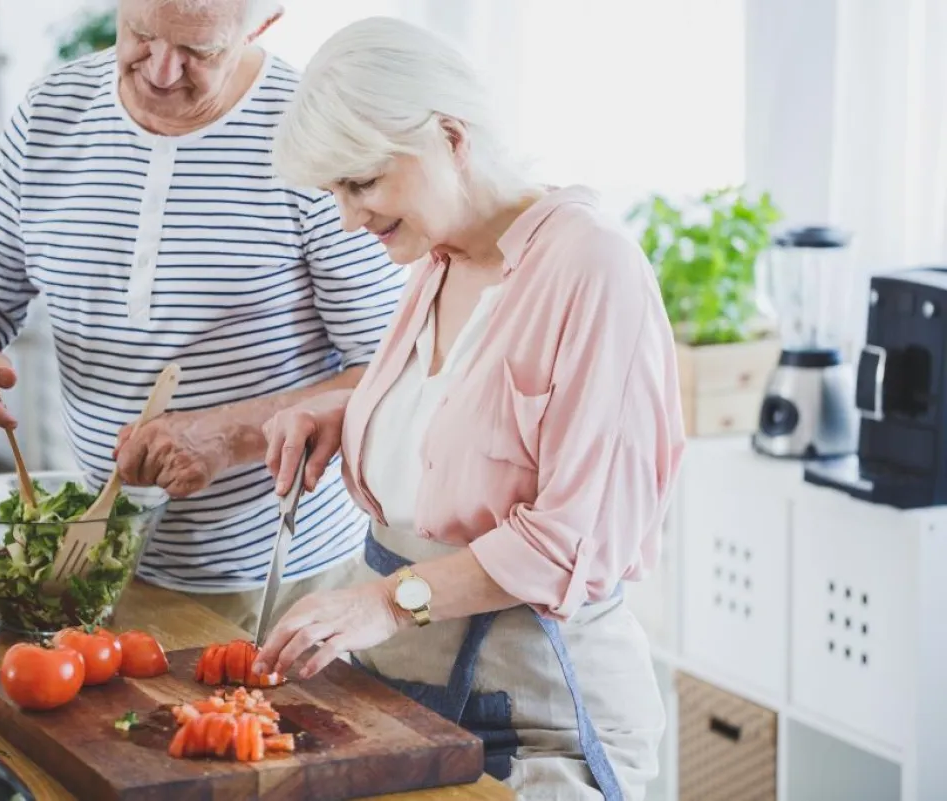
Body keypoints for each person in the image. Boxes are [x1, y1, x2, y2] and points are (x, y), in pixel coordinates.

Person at [252, 16, 686, 801]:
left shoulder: (593, 267)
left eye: (362, 183)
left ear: (451, 137)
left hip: (540, 717)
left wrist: (387, 600)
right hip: (405, 696)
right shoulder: (439, 258)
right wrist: (352, 413)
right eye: (335, 193)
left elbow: (570, 541)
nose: (349, 217)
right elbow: (470, 422)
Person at [0, 0, 406, 631]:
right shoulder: (50, 114)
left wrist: (229, 435)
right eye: (142, 33)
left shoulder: (315, 137)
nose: (161, 71)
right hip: (100, 567)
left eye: (199, 51)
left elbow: (393, 372)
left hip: (280, 580)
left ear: (263, 23)